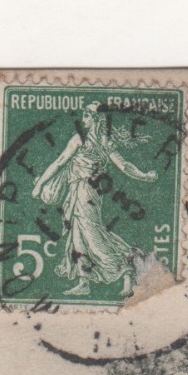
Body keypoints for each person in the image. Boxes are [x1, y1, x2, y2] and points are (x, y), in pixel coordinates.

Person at [31, 102, 160, 298]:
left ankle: (125, 269)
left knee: (93, 236)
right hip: (80, 192)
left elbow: (60, 163)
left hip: (86, 192)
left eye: (86, 116)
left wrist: (40, 185)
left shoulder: (84, 140)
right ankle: (84, 281)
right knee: (78, 236)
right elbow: (124, 166)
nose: (83, 120)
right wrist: (144, 176)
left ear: (96, 119)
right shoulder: (100, 141)